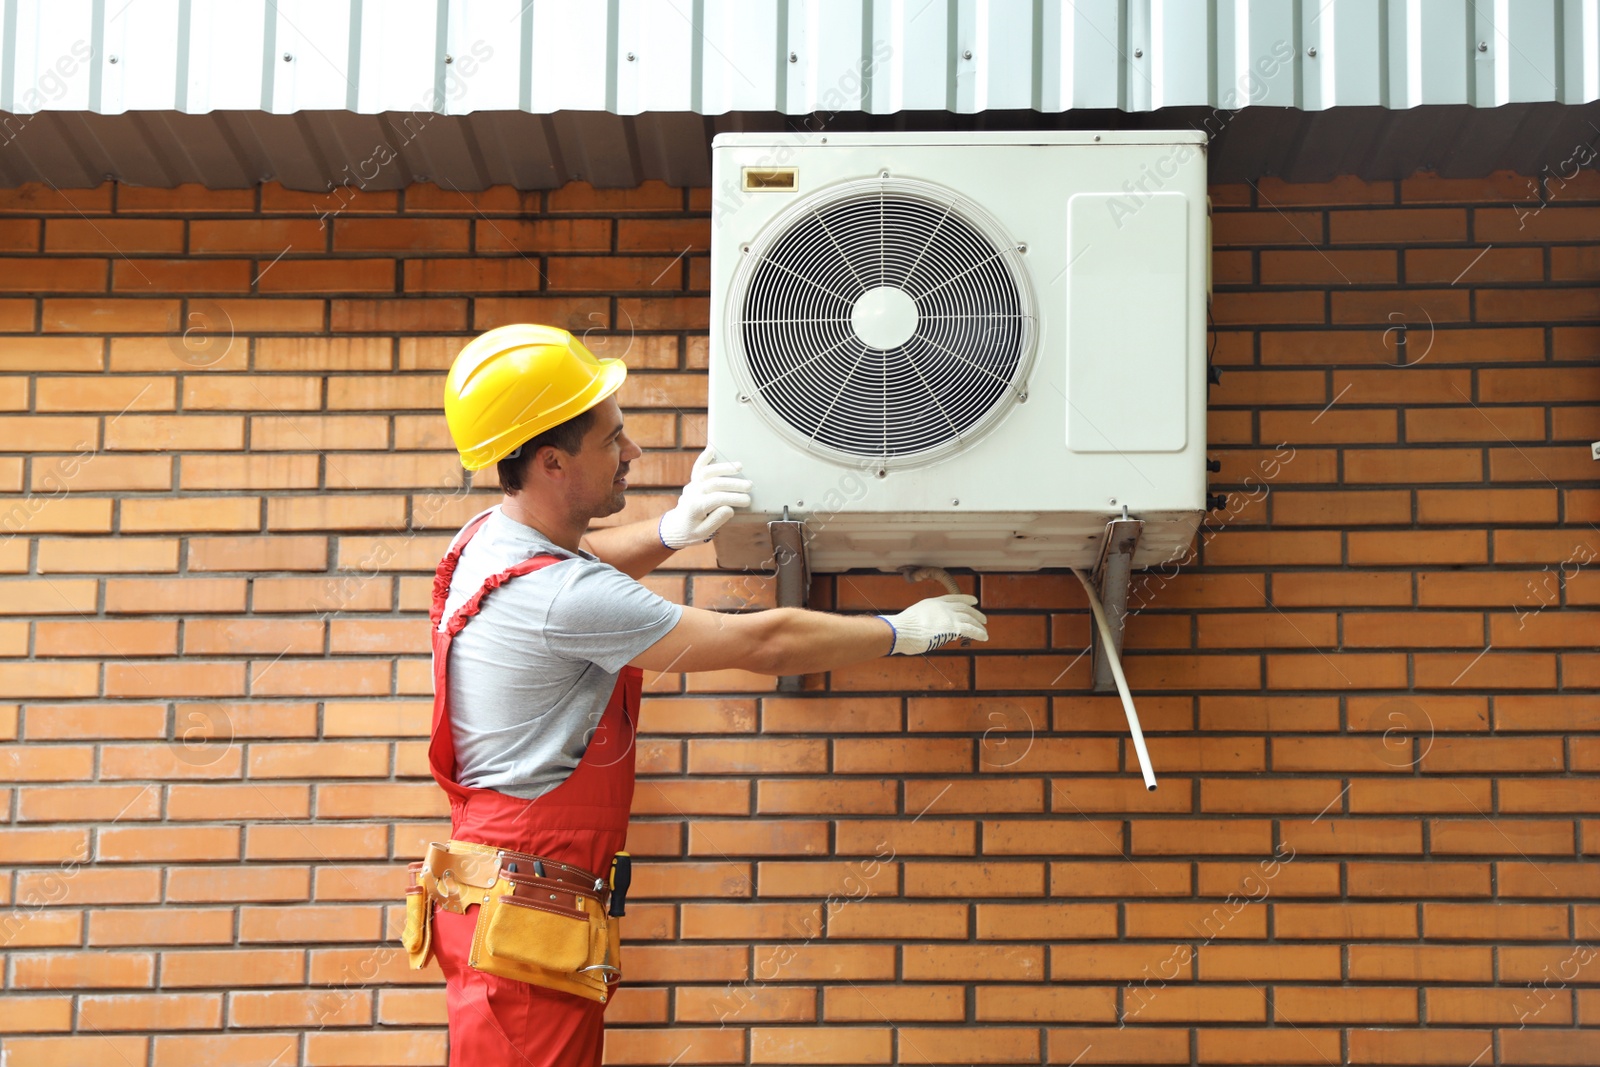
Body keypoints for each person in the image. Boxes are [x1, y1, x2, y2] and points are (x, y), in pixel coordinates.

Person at [417, 323, 987, 1066]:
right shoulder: (562, 595)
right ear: (553, 462)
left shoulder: (492, 539)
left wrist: (673, 529)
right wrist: (897, 631)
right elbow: (762, 642)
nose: (634, 454)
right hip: (528, 923)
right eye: (612, 440)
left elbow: (584, 562)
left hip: (509, 909)